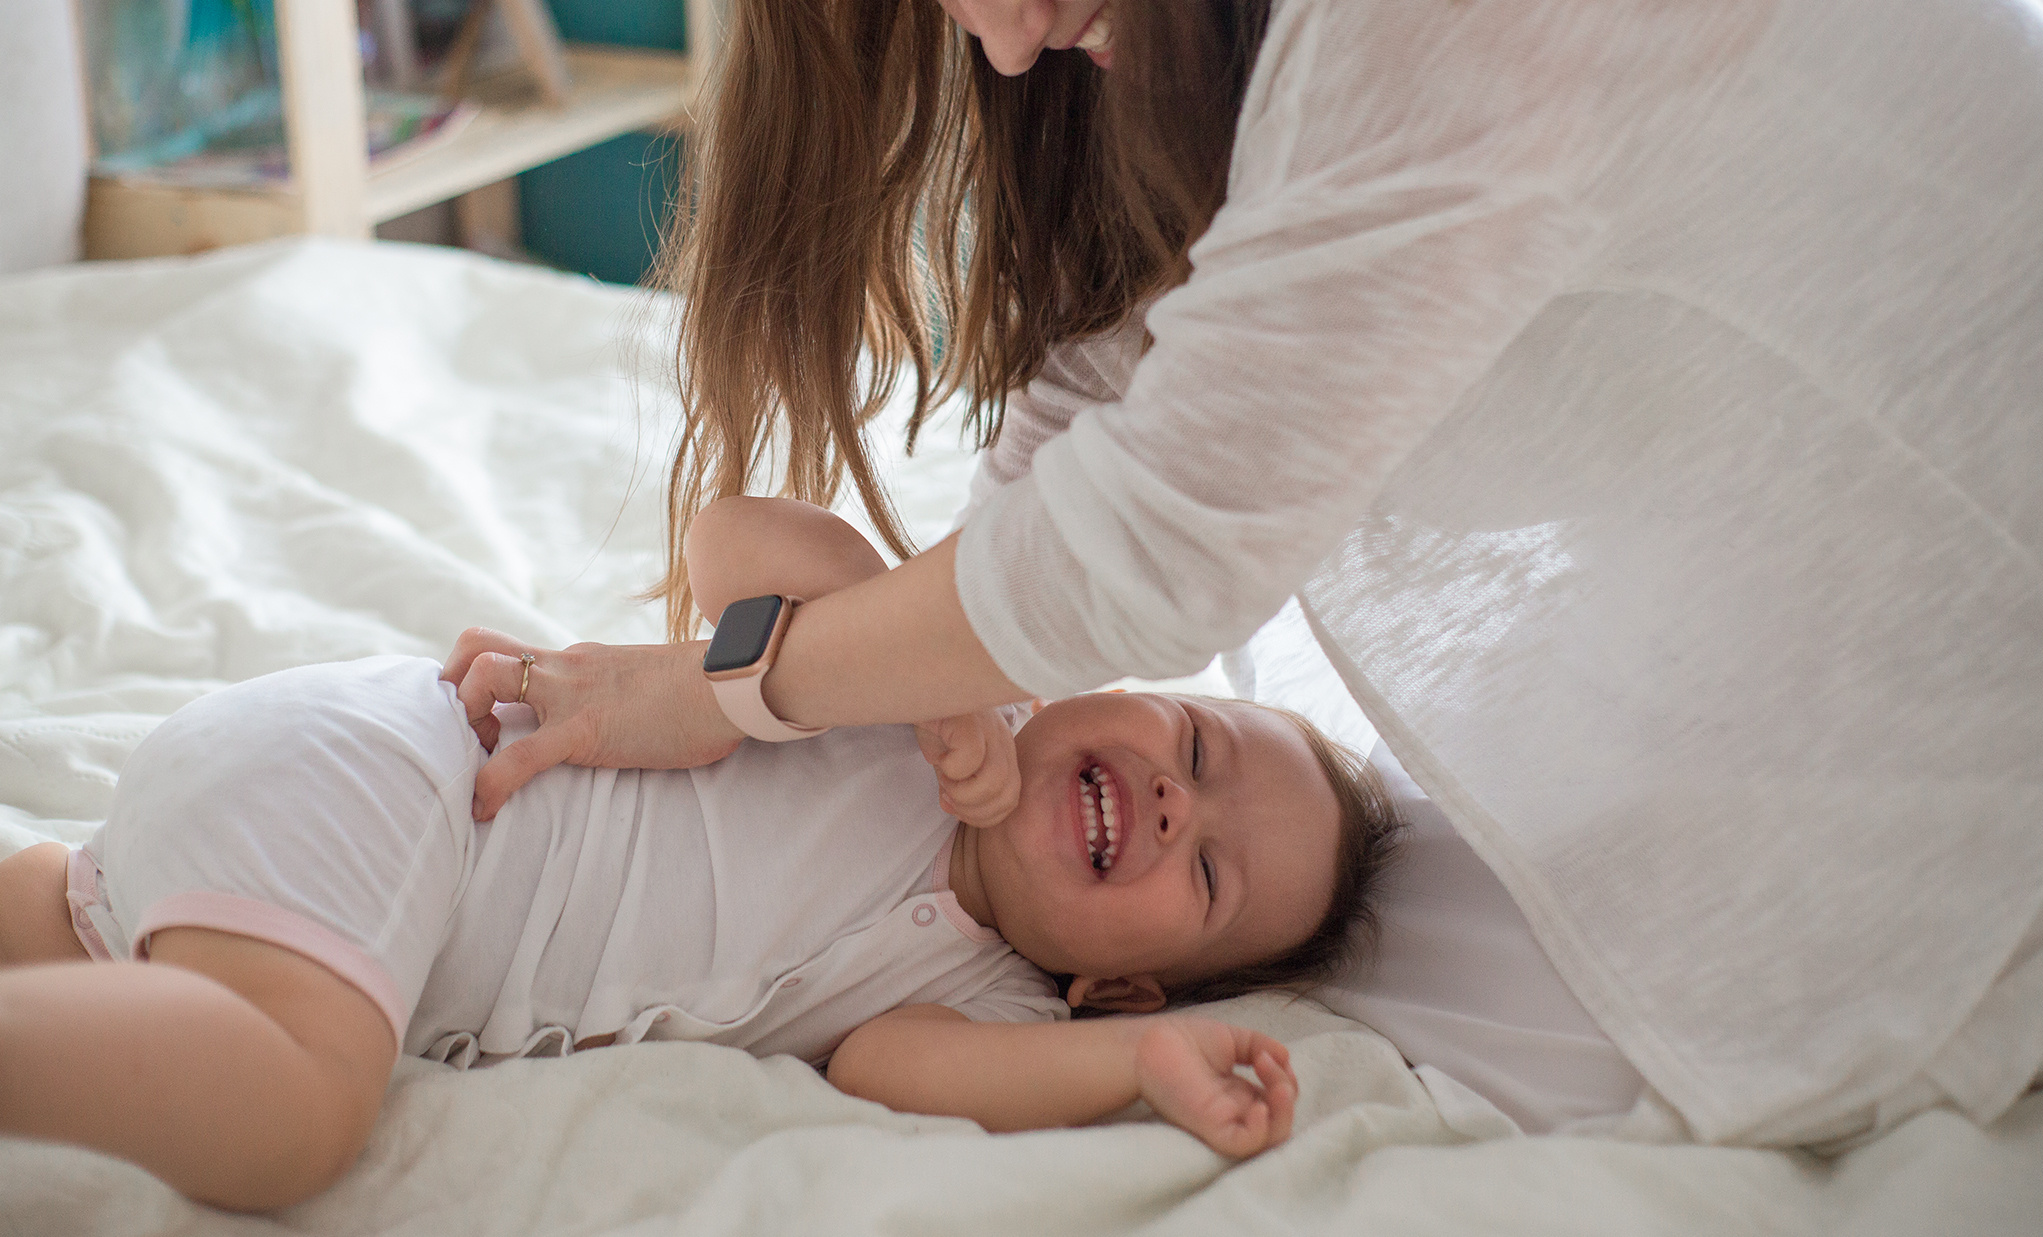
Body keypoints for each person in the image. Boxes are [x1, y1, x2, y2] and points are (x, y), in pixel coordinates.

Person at [444, 0, 2043, 1150]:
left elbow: (1148, 546)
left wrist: (736, 680)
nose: (995, 42)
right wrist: (943, 654)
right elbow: (1118, 414)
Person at [0, 497, 1401, 1213]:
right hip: (425, 780)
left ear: (1131, 989)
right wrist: (921, 669)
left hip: (276, 853)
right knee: (301, 1113)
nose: (1172, 807)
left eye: (1206, 875)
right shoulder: (907, 684)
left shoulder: (995, 999)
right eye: (1199, 751)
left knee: (85, 920)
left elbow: (890, 1072)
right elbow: (733, 538)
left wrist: (1136, 1074)